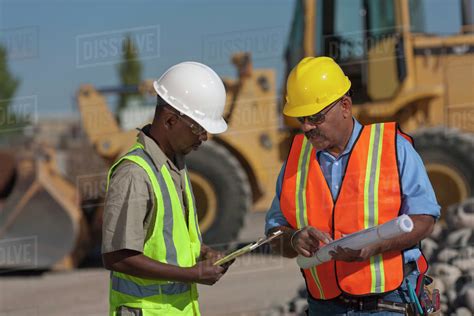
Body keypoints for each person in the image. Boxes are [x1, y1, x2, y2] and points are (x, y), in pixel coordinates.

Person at [266, 57, 440, 315]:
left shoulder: (393, 147)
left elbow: (424, 219)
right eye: (301, 118)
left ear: (345, 106)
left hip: (387, 303)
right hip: (324, 307)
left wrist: (376, 247)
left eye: (315, 117)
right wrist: (293, 238)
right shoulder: (295, 158)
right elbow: (273, 234)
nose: (307, 127)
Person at [102, 61, 232, 315]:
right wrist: (191, 274)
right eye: (199, 128)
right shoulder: (135, 174)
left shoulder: (175, 167)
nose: (203, 138)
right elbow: (117, 257)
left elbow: (167, 242)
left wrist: (203, 253)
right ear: (171, 121)